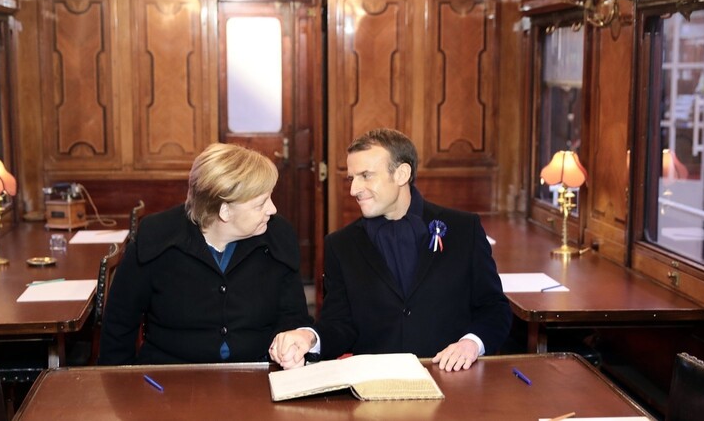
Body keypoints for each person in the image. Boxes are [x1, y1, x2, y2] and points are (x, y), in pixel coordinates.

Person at [269, 128, 512, 371]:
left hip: (451, 378)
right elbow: (340, 325)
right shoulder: (340, 245)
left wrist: (472, 343)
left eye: (366, 175)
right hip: (375, 389)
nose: (354, 189)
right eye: (351, 178)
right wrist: (309, 337)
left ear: (402, 174)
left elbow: (494, 308)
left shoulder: (464, 229)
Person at [99, 142, 312, 365]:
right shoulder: (156, 239)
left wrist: (291, 347)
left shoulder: (278, 235)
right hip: (170, 380)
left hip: (256, 375)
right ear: (225, 211)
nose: (272, 209)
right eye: (260, 204)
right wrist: (120, 389)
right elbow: (119, 325)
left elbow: (293, 316)